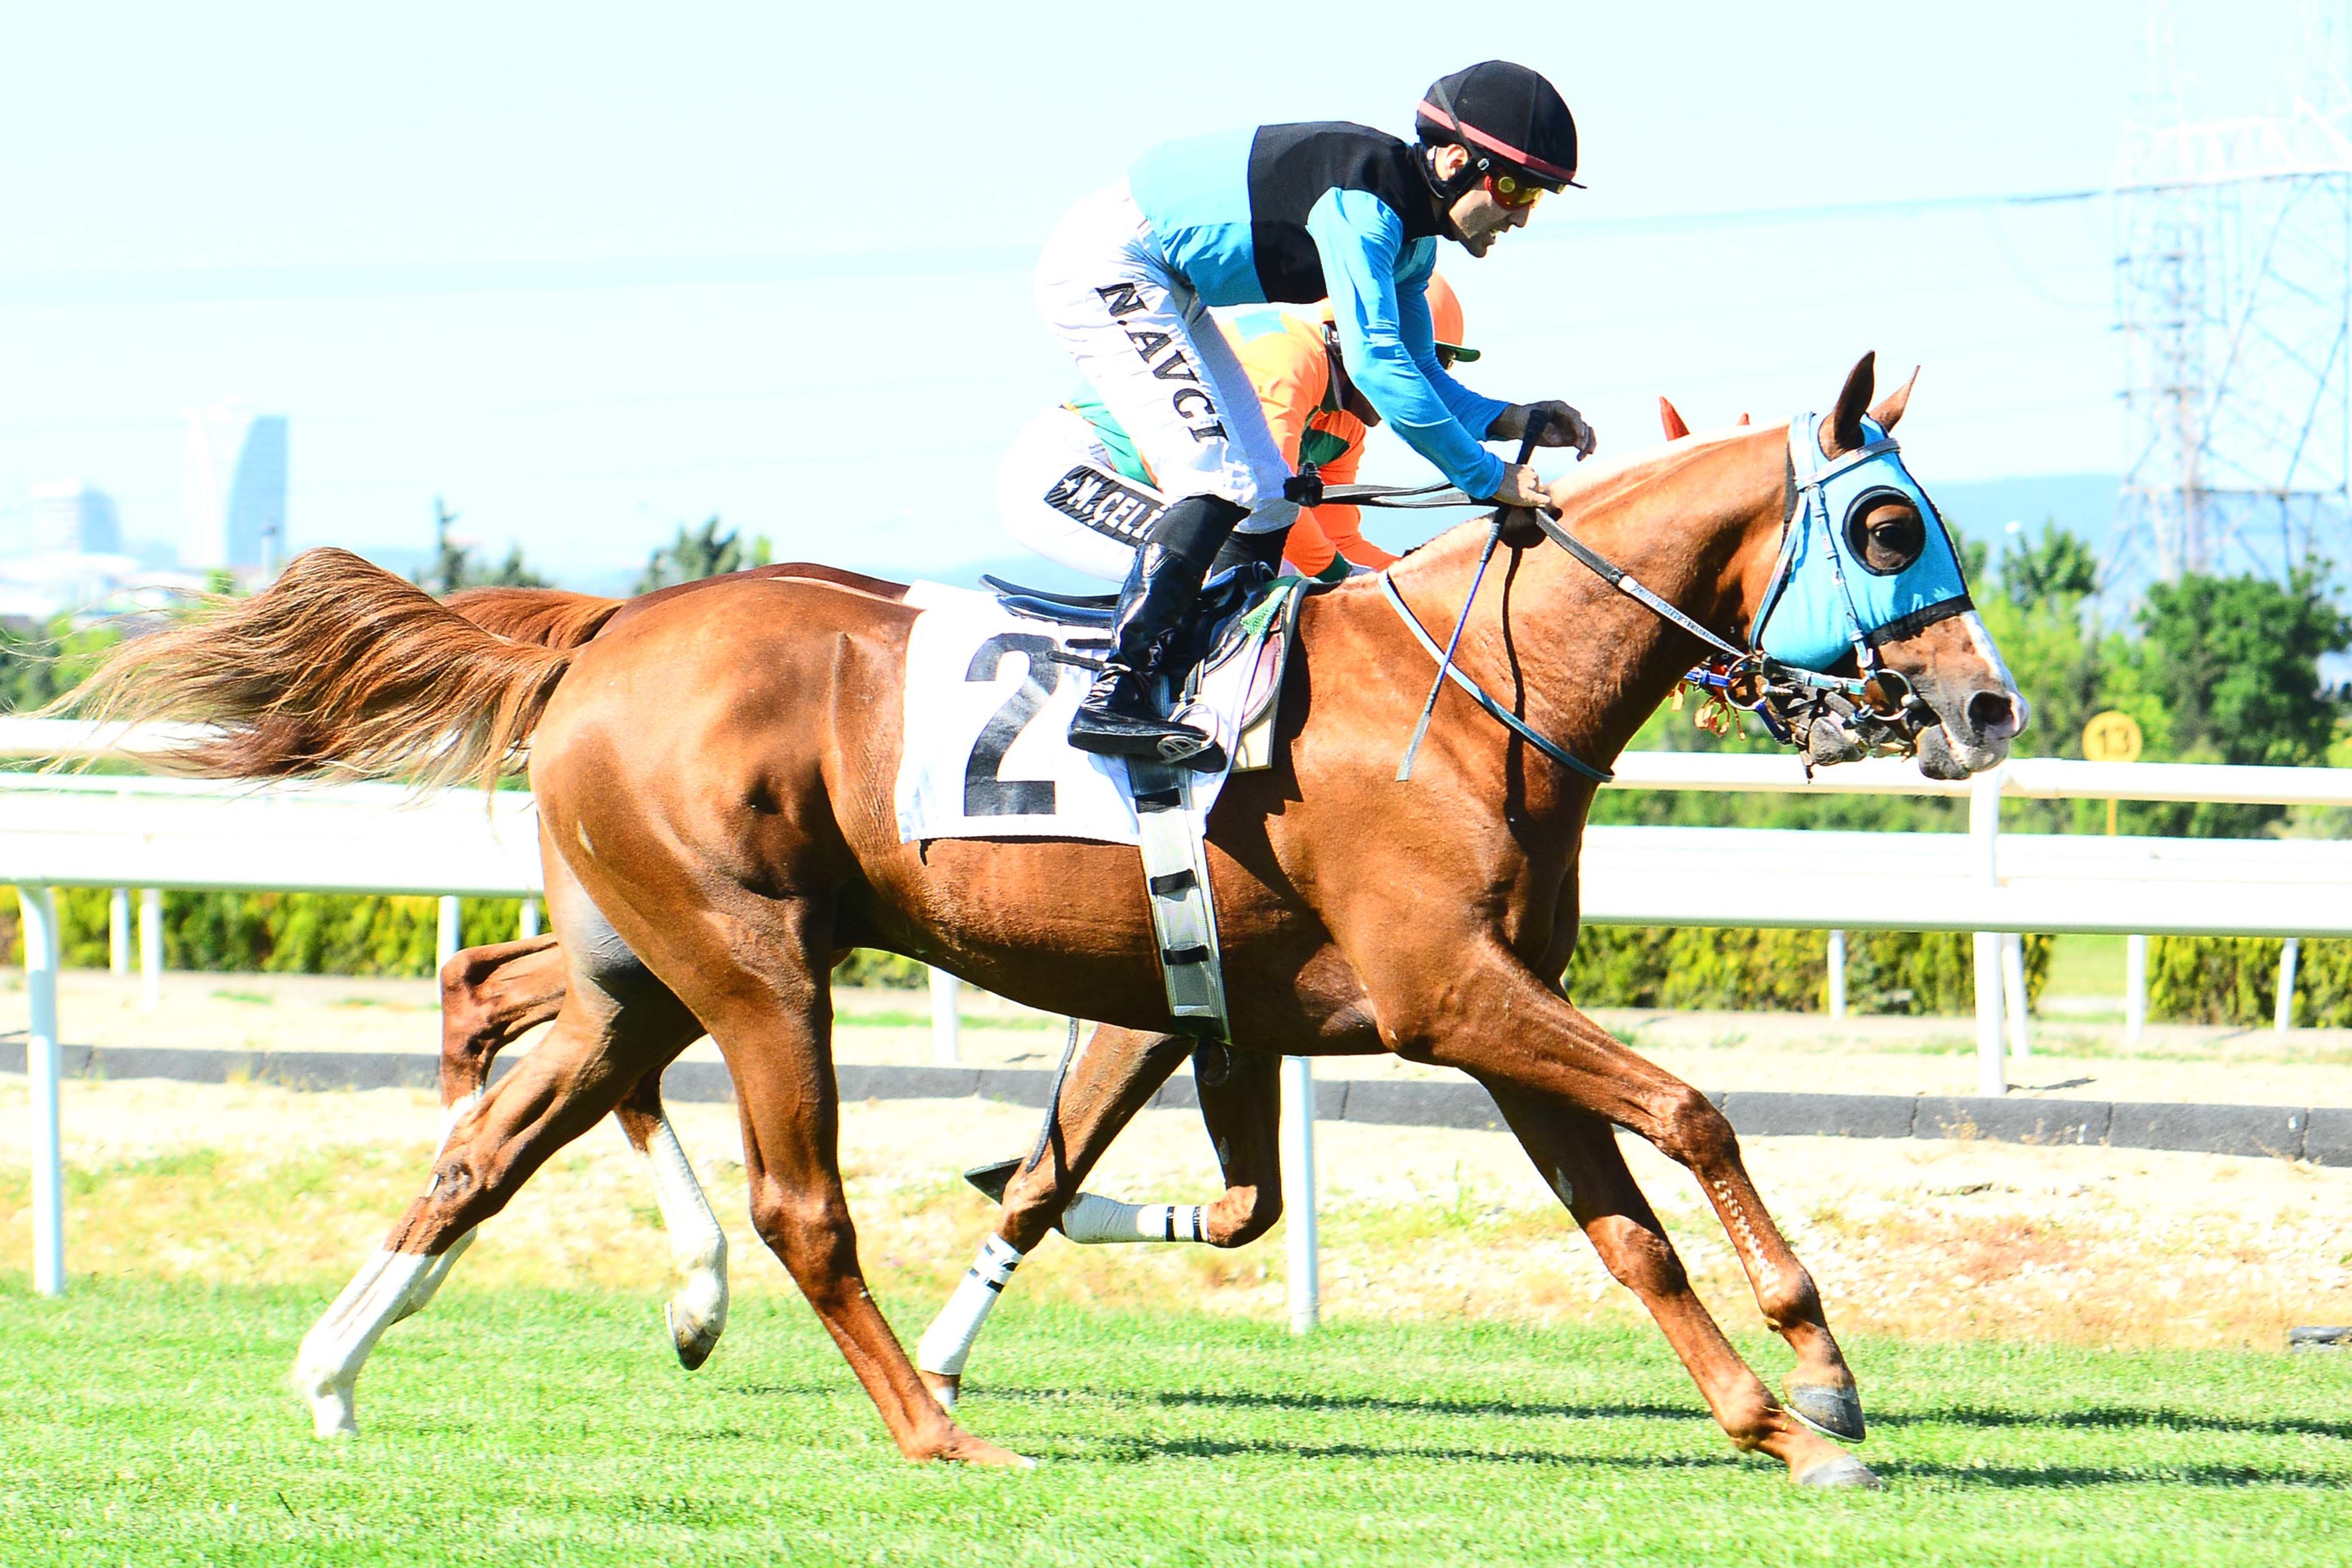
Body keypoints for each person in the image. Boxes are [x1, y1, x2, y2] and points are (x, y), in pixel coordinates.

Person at [1037, 59, 1597, 769]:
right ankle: (1115, 693)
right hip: (1111, 264)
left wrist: (1513, 419)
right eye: (1515, 188)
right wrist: (1488, 477)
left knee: (1271, 498)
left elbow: (1421, 372)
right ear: (1456, 162)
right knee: (1215, 478)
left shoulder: (1413, 241)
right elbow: (1376, 367)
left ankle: (1194, 668)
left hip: (1170, 281)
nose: (1521, 215)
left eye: (1538, 197)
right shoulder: (1366, 208)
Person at [998, 274, 1483, 584]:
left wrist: (1422, 585)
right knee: (1250, 575)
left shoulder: (1345, 425)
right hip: (1070, 470)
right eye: (1426, 368)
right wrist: (1356, 583)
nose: (1433, 390)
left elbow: (1339, 544)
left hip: (1152, 495)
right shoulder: (1288, 357)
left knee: (1268, 575)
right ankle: (1122, 697)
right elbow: (1272, 506)